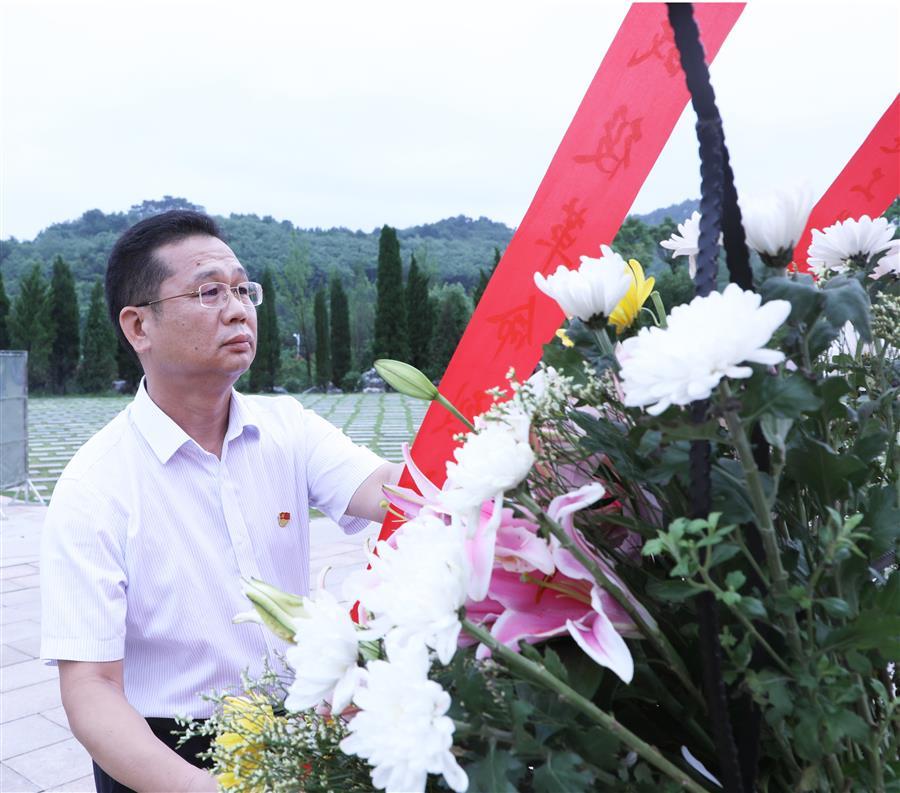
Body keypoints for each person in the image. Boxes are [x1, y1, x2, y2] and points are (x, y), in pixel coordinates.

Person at [40, 211, 402, 792]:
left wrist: (515, 449)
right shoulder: (95, 485)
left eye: (242, 289)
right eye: (209, 292)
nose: (237, 309)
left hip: (299, 726)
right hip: (164, 754)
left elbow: (394, 491)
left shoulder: (289, 429)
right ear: (139, 326)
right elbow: (92, 689)